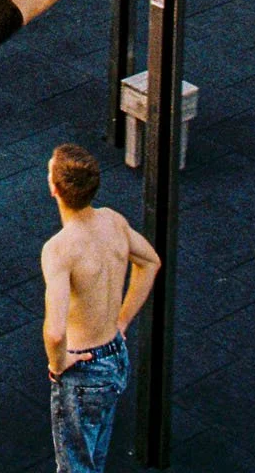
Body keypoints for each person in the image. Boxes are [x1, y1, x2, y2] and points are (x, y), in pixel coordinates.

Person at [41, 144, 159, 473]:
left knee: (76, 466)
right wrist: (121, 322)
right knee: (96, 456)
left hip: (84, 368)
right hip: (115, 355)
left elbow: (54, 331)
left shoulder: (60, 250)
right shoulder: (114, 221)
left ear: (55, 188)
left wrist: (59, 362)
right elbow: (150, 262)